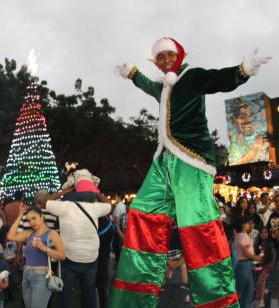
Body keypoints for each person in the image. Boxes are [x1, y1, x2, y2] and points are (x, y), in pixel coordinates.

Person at [112, 37, 271, 307]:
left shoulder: (192, 76)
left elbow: (218, 79)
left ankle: (216, 299)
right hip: (164, 161)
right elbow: (149, 85)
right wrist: (133, 74)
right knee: (142, 213)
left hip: (191, 161)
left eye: (168, 56)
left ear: (179, 55)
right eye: (159, 58)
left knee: (198, 228)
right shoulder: (163, 87)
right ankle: (133, 297)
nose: (164, 61)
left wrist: (243, 71)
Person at [39, 187, 112, 308]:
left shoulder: (65, 206)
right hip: (90, 258)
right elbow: (109, 205)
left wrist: (64, 191)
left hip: (70, 257)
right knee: (89, 292)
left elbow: (45, 202)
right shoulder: (95, 207)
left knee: (65, 291)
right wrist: (97, 191)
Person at [7, 205, 65, 308]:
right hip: (26, 274)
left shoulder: (52, 233)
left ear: (42, 217)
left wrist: (44, 248)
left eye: (34, 218)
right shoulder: (29, 234)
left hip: (42, 276)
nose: (31, 222)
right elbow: (10, 236)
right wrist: (20, 215)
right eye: (29, 220)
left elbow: (62, 255)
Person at [234, 218, 264, 308]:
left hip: (245, 265)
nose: (249, 225)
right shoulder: (243, 236)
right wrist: (258, 258)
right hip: (244, 264)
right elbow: (246, 253)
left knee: (248, 289)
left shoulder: (239, 235)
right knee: (243, 290)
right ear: (243, 225)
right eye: (247, 223)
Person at [254, 227, 276, 308]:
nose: (263, 234)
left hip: (267, 267)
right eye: (262, 232)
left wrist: (271, 265)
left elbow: (274, 256)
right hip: (258, 267)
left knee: (262, 281)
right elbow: (255, 256)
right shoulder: (257, 244)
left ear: (268, 234)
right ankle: (258, 299)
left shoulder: (270, 244)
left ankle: (260, 300)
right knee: (258, 283)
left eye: (265, 232)